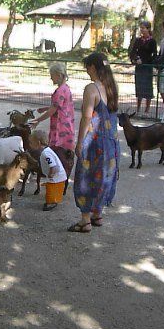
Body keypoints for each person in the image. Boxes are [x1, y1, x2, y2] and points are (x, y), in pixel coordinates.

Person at [69, 52, 120, 233]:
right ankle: (97, 214)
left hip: (94, 143)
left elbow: (86, 117)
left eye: (87, 67)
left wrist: (79, 142)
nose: (87, 71)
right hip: (111, 143)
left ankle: (85, 221)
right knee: (104, 177)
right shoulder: (111, 87)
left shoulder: (92, 88)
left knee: (85, 178)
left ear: (93, 67)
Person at [30, 62, 75, 151]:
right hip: (67, 125)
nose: (51, 78)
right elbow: (60, 106)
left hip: (60, 127)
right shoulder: (65, 88)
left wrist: (38, 120)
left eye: (52, 75)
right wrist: (46, 108)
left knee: (57, 150)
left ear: (58, 75)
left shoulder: (59, 91)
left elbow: (53, 110)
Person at [29, 130, 68, 211]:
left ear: (38, 143)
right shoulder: (47, 151)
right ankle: (53, 201)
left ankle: (51, 202)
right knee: (53, 189)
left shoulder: (46, 153)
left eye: (31, 143)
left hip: (56, 177)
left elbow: (53, 166)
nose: (30, 145)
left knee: (51, 191)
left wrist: (51, 174)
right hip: (57, 176)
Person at [129, 21, 157, 115]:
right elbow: (132, 52)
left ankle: (147, 110)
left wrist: (145, 61)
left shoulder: (152, 41)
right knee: (139, 87)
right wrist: (136, 59)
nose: (142, 30)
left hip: (147, 67)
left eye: (143, 28)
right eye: (141, 28)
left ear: (148, 29)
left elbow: (154, 54)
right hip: (139, 68)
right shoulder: (138, 40)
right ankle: (138, 109)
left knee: (148, 88)